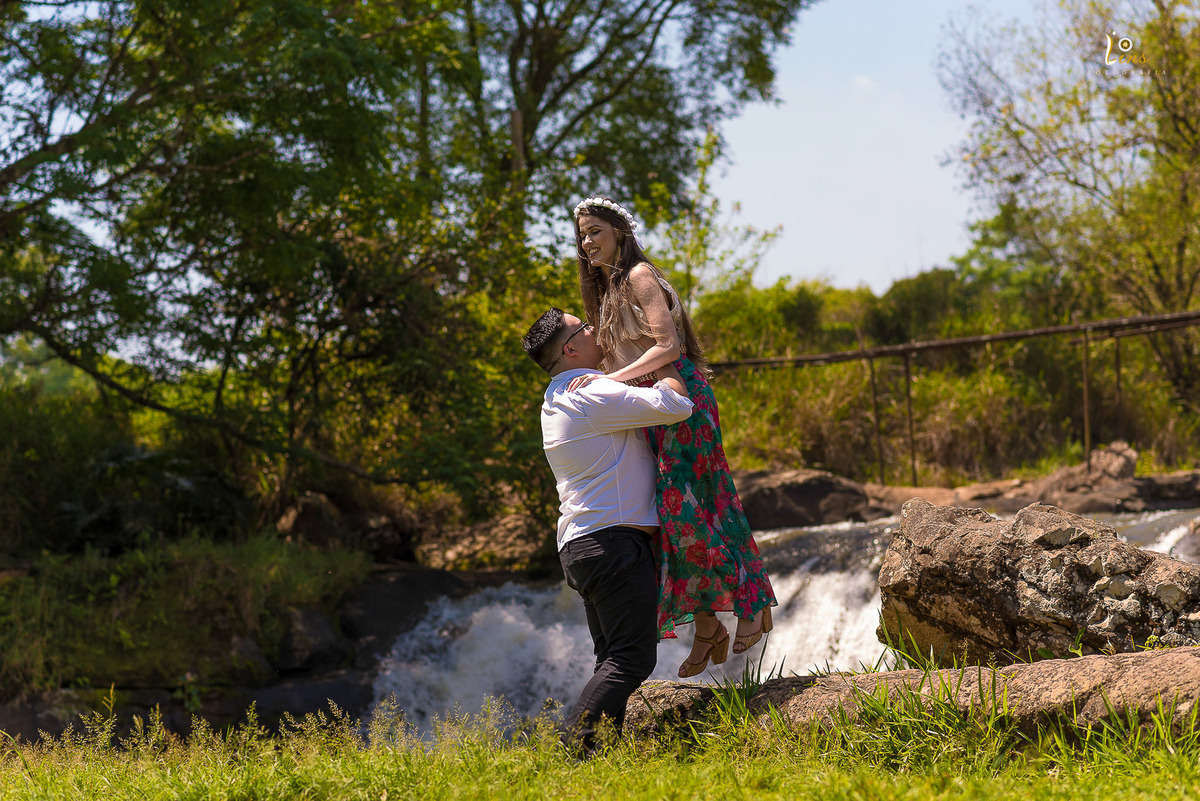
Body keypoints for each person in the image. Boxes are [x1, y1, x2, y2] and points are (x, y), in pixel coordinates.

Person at [568, 196, 777, 679]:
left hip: (682, 403)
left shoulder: (640, 276)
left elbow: (669, 345)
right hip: (650, 410)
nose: (587, 242)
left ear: (620, 232)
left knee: (701, 506)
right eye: (582, 235)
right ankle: (706, 626)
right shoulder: (607, 291)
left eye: (596, 231)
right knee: (671, 520)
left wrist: (610, 382)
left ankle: (752, 604)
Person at [522, 307, 694, 753]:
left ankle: (598, 758)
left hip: (584, 546)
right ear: (571, 349)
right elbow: (677, 405)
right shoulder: (591, 392)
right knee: (632, 660)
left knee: (612, 658)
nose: (595, 328)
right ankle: (570, 750)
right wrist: (662, 357)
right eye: (584, 327)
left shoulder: (557, 397)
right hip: (612, 542)